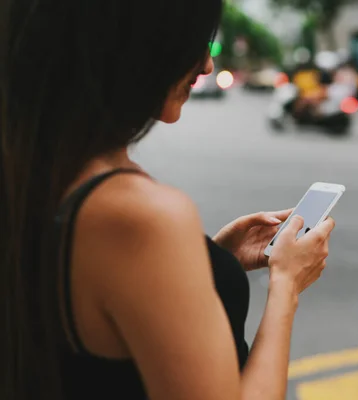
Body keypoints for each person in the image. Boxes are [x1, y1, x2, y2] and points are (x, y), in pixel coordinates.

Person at [0, 1, 336, 400]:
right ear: (135, 47)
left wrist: (209, 260)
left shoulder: (33, 168)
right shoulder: (140, 215)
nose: (206, 65)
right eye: (193, 40)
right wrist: (286, 284)